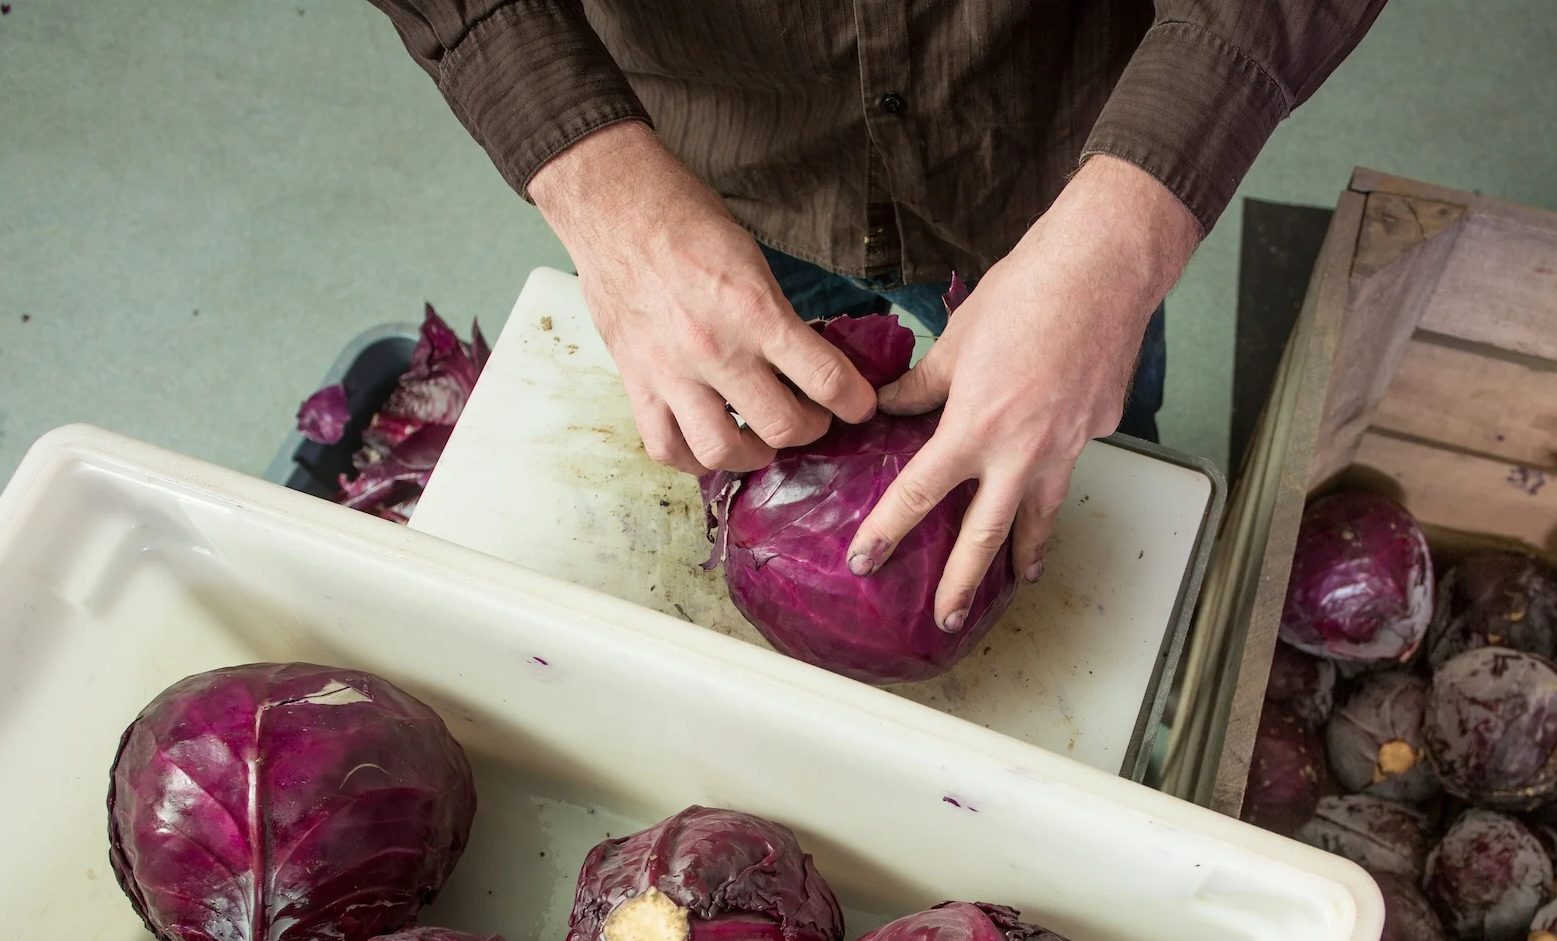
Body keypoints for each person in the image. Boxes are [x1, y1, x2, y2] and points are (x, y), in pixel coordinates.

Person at [370, 1, 1387, 631]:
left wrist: (1123, 246)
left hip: (1052, 175)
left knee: (1082, 462)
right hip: (708, 155)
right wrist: (597, 187)